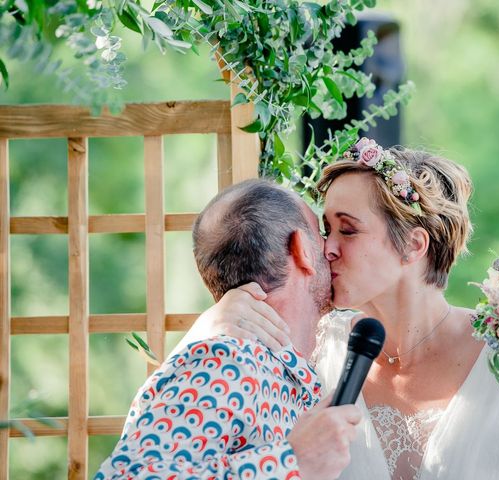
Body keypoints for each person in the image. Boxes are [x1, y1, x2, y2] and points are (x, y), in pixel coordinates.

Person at [200, 140, 499, 479]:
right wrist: (216, 320)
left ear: (414, 246)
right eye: (326, 229)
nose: (326, 247)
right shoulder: (311, 349)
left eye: (347, 229)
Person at [95, 179, 362, 480]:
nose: (330, 248)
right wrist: (292, 463)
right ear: (301, 249)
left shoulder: (277, 368)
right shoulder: (226, 364)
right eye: (320, 233)